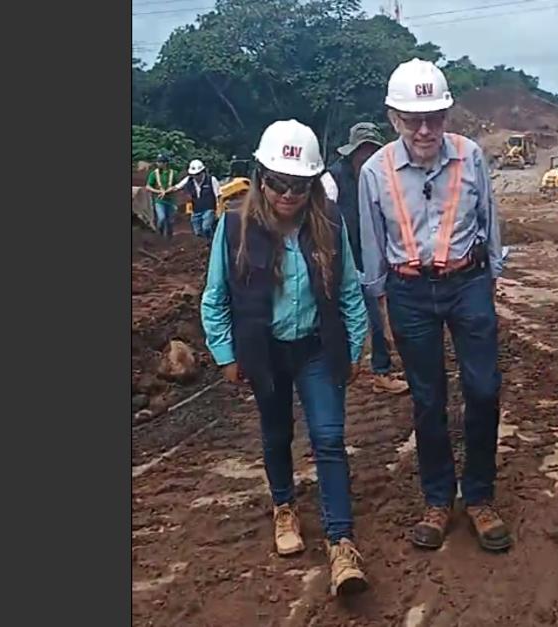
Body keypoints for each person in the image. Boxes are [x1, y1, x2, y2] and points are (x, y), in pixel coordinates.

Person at [200, 119, 369, 596]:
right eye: (278, 183)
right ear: (261, 178)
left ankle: (341, 542)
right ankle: (284, 506)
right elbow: (214, 298)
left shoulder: (330, 223)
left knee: (330, 439)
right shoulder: (233, 226)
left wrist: (354, 347)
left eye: (298, 185)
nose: (288, 194)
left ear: (312, 184)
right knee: (276, 434)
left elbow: (351, 291)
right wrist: (225, 354)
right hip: (265, 351)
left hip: (317, 348)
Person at [358, 59, 510, 552]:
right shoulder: (373, 172)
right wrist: (379, 308)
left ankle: (480, 497)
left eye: (435, 118)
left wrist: (493, 280)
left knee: (483, 389)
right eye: (412, 119)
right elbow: (372, 244)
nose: (425, 130)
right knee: (428, 399)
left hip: (466, 282)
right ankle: (438, 499)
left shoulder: (471, 157)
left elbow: (491, 220)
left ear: (447, 114)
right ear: (392, 118)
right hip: (408, 291)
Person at [328, 122, 409, 395]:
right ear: (351, 153)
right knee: (340, 318)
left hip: (372, 260)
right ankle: (342, 370)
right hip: (340, 260)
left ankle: (381, 370)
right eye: (362, 152)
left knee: (379, 317)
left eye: (372, 151)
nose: (367, 158)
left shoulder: (381, 177)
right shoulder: (334, 179)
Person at [166, 159, 220, 240]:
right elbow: (177, 187)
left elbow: (218, 196)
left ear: (203, 172)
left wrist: (218, 211)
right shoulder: (188, 180)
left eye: (198, 174)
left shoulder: (211, 180)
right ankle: (203, 246)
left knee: (206, 227)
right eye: (194, 174)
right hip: (196, 210)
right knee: (197, 232)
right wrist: (165, 192)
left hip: (209, 209)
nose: (196, 176)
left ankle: (211, 242)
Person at [145, 153, 179, 239]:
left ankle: (169, 239)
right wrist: (158, 191)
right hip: (159, 201)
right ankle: (159, 236)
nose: (158, 164)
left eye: (160, 162)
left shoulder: (173, 173)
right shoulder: (154, 174)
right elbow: (148, 186)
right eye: (158, 162)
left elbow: (177, 186)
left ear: (165, 163)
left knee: (170, 222)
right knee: (162, 218)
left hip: (171, 201)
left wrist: (170, 190)